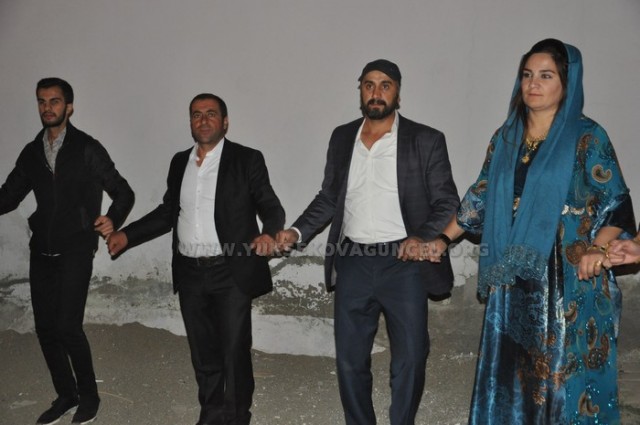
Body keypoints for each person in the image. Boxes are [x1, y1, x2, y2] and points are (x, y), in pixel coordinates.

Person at [423, 39, 636, 424]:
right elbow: (481, 193)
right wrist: (442, 239)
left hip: (567, 276)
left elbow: (616, 203)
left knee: (560, 376)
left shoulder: (587, 137)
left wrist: (599, 250)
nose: (533, 83)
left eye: (545, 75)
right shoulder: (505, 137)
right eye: (527, 75)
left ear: (567, 84)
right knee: (514, 373)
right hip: (513, 275)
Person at [276, 59, 460, 425]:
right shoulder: (342, 137)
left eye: (385, 85)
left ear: (398, 93)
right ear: (360, 91)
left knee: (410, 356)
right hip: (353, 259)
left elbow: (447, 202)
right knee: (350, 358)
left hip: (404, 262)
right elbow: (329, 196)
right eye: (369, 85)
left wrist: (421, 237)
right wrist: (295, 232)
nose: (376, 92)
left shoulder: (426, 139)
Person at [106, 93, 285, 425]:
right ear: (190, 122)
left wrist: (270, 232)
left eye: (211, 114)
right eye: (196, 114)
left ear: (225, 122)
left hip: (230, 270)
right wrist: (127, 235)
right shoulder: (179, 162)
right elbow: (167, 213)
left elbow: (270, 204)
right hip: (190, 272)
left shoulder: (246, 159)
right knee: (203, 352)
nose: (203, 120)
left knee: (234, 350)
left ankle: (237, 416)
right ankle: (211, 412)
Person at [0, 77, 135, 424]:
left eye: (55, 101)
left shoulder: (87, 148)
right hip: (41, 251)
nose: (47, 108)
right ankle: (66, 394)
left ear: (69, 107)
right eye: (42, 101)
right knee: (45, 328)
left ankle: (89, 397)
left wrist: (112, 218)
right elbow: (8, 196)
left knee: (68, 327)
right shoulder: (32, 152)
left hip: (76, 248)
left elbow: (123, 191)